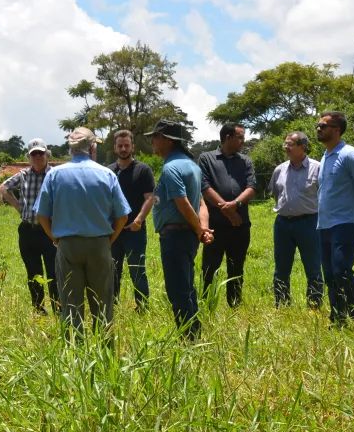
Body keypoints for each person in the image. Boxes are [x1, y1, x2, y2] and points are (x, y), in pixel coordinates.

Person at [34, 128, 130, 339]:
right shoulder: (107, 174)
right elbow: (122, 216)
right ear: (92, 147)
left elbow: (41, 214)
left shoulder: (55, 175)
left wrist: (55, 239)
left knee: (70, 304)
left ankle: (74, 355)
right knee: (103, 303)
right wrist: (109, 240)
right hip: (99, 244)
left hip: (67, 245)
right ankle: (104, 354)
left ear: (70, 149)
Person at [146, 120, 214, 340]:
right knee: (187, 285)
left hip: (175, 236)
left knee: (178, 289)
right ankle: (194, 332)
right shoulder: (192, 166)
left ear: (167, 140)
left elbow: (183, 202)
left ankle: (188, 338)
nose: (153, 142)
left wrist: (199, 229)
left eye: (155, 137)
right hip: (188, 236)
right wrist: (202, 230)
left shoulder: (170, 168)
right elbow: (201, 203)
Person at [316, 111, 354, 326]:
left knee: (341, 269)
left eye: (323, 125)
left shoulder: (350, 155)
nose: (319, 128)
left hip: (346, 221)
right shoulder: (325, 157)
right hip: (324, 223)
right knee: (330, 274)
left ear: (337, 129)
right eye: (318, 124)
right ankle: (338, 317)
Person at [0, 138, 59, 315]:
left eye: (41, 153)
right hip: (28, 231)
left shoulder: (55, 175)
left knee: (54, 272)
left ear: (47, 154)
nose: (38, 156)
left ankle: (58, 308)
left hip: (50, 231)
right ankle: (38, 309)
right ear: (29, 157)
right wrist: (17, 205)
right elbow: (3, 188)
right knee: (33, 272)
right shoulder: (23, 175)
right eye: (34, 154)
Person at [198, 122, 256, 307]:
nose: (243, 141)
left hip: (240, 225)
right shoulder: (206, 158)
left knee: (236, 266)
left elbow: (252, 186)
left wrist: (236, 204)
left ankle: (235, 304)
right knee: (209, 267)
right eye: (240, 137)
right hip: (215, 225)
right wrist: (228, 211)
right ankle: (207, 303)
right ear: (227, 137)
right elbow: (204, 187)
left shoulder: (245, 161)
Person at [269, 131, 323, 309]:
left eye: (290, 144)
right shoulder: (280, 169)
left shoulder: (317, 168)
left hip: (309, 223)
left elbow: (324, 195)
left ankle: (314, 305)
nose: (286, 147)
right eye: (285, 144)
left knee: (313, 267)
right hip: (283, 224)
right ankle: (282, 304)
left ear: (303, 146)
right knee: (281, 268)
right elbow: (276, 195)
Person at [107, 130, 155, 312]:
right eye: (120, 145)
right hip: (112, 231)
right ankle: (111, 306)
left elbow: (150, 198)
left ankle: (142, 307)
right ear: (114, 148)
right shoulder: (108, 171)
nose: (124, 149)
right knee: (111, 270)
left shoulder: (143, 170)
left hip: (135, 230)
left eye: (127, 145)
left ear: (132, 147)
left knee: (137, 270)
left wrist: (139, 220)